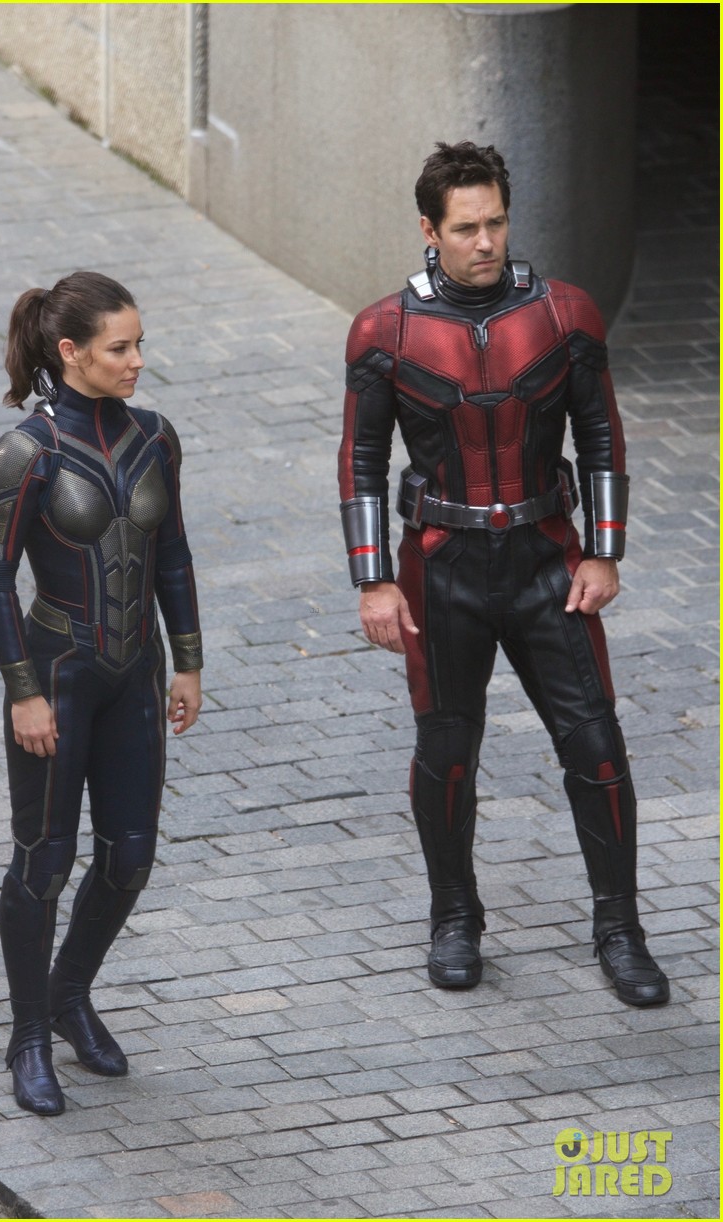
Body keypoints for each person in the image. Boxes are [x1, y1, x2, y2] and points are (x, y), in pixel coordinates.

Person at [338, 141, 669, 1008]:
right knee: (447, 751)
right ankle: (454, 916)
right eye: (465, 228)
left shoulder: (564, 314)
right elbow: (360, 460)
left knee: (595, 746)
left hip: (546, 560)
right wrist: (372, 579)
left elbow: (600, 435)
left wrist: (604, 551)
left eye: (495, 223)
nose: (484, 241)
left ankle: (620, 930)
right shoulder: (383, 331)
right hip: (439, 567)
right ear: (429, 229)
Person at [0, 271, 203, 1114]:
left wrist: (188, 662)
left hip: (134, 675)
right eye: (120, 348)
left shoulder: (155, 438)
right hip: (59, 676)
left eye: (140, 344)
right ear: (70, 352)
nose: (137, 360)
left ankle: (69, 993)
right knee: (43, 862)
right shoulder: (26, 453)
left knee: (129, 857)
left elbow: (172, 553)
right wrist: (22, 692)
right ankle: (28, 1034)